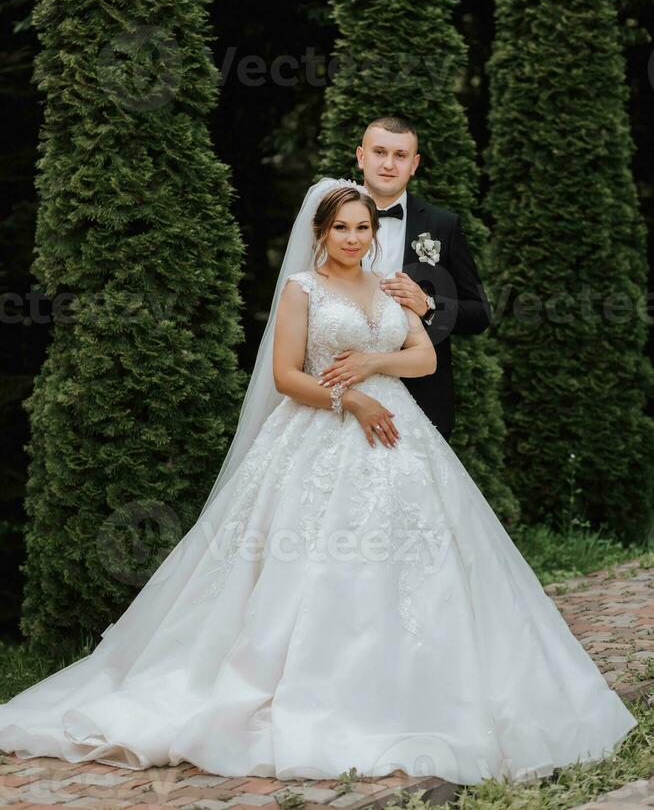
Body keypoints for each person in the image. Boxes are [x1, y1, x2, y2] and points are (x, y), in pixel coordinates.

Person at [0, 177, 637, 786]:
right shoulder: (302, 290)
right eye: (343, 228)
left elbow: (426, 356)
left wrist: (372, 364)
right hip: (322, 435)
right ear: (322, 232)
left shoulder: (391, 286)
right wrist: (350, 400)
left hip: (402, 436)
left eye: (363, 227)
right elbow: (285, 375)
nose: (356, 238)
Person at [356, 116, 492, 440]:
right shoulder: (330, 221)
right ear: (361, 156)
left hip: (422, 400)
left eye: (400, 155)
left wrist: (428, 306)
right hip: (346, 390)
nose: (389, 164)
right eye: (379, 152)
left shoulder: (442, 225)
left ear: (414, 164)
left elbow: (480, 313)